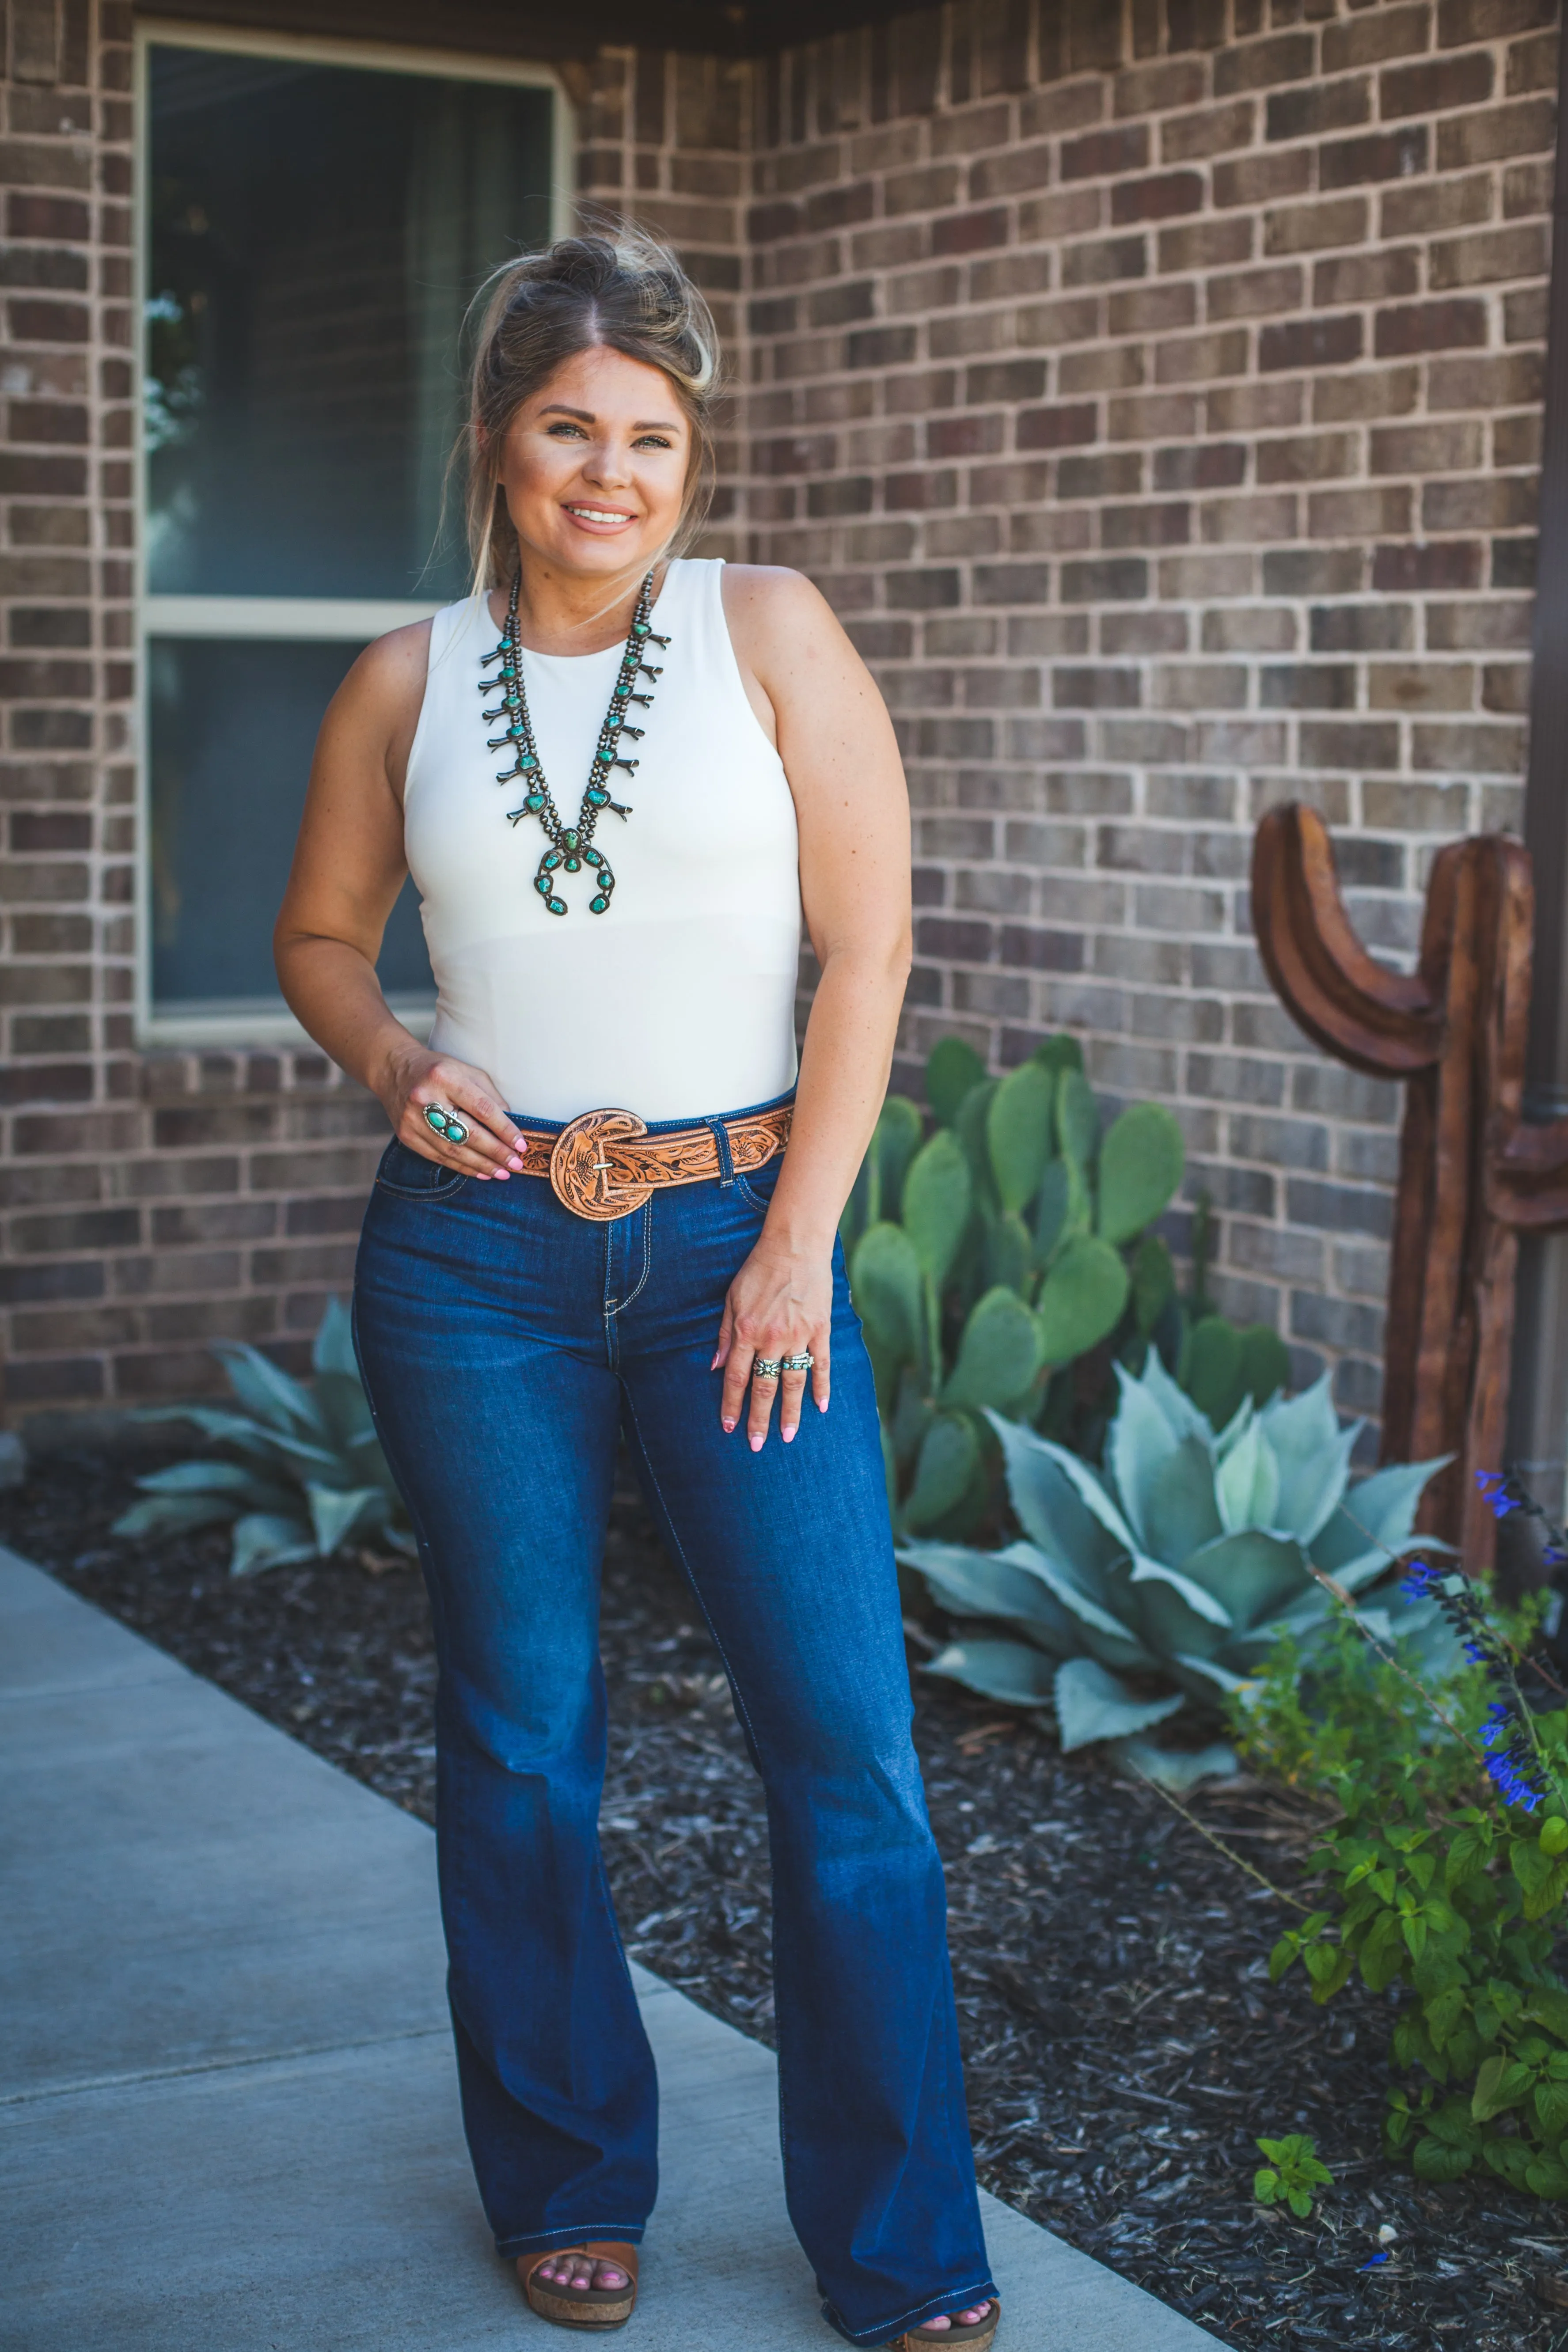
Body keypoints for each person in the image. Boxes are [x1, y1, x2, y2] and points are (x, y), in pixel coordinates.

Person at [274, 231, 998, 2350]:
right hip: (476, 1255)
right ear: (496, 442)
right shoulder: (402, 680)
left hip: (729, 1247)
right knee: (519, 1737)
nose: (612, 471)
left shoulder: (765, 627)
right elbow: (322, 936)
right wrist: (402, 1061)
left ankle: (895, 2241)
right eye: (569, 427)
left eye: (651, 438)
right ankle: (565, 2171)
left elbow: (864, 952)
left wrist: (796, 1241)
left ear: (693, 458)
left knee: (842, 1745)